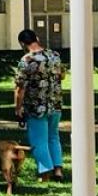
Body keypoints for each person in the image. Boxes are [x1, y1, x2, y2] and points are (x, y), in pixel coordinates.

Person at [13, 27, 65, 180]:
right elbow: (62, 75)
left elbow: (20, 88)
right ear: (37, 38)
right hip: (55, 103)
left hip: (36, 106)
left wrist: (18, 108)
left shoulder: (26, 61)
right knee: (53, 136)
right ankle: (58, 170)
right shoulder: (54, 55)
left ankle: (45, 173)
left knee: (39, 140)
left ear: (22, 44)